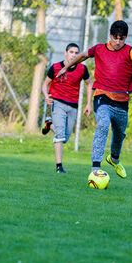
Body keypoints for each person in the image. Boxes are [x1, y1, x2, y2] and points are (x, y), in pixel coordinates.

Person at [56, 20, 132, 180]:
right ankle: (95, 168)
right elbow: (82, 56)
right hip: (102, 96)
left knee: (119, 134)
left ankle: (114, 159)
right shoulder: (99, 48)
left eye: (122, 38)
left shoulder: (130, 52)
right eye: (115, 37)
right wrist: (65, 67)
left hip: (122, 100)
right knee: (102, 125)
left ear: (126, 38)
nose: (118, 41)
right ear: (110, 35)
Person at [41, 43, 92, 173]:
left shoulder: (82, 68)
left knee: (65, 138)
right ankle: (59, 166)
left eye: (76, 53)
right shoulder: (56, 67)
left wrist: (88, 103)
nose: (74, 55)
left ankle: (49, 124)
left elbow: (89, 84)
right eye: (71, 52)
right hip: (57, 103)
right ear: (65, 53)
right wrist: (47, 96)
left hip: (73, 106)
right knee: (59, 135)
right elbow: (45, 84)